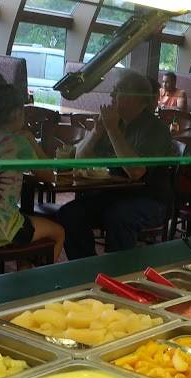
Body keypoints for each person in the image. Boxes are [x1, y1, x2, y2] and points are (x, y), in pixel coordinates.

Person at [58, 71, 173, 259]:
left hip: (150, 200)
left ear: (135, 98)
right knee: (70, 213)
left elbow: (136, 172)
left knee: (119, 216)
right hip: (114, 195)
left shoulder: (155, 129)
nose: (111, 95)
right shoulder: (115, 123)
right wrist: (97, 132)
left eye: (116, 90)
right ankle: (87, 267)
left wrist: (112, 130)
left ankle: (118, 272)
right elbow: (79, 160)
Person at [0, 72, 64, 260]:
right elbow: (49, 176)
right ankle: (44, 279)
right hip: (2, 230)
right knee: (58, 232)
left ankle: (24, 274)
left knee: (26, 222)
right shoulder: (17, 144)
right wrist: (31, 140)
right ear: (17, 113)